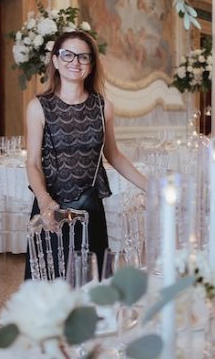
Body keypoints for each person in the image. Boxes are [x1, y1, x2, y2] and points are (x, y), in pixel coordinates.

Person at [24, 31, 147, 280]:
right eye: (67, 55)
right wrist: (45, 202)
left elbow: (114, 155)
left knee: (92, 286)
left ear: (91, 65)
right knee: (50, 288)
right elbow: (33, 163)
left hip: (90, 208)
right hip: (52, 208)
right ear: (55, 60)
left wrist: (151, 186)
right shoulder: (38, 107)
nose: (75, 62)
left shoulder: (103, 107)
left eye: (83, 57)